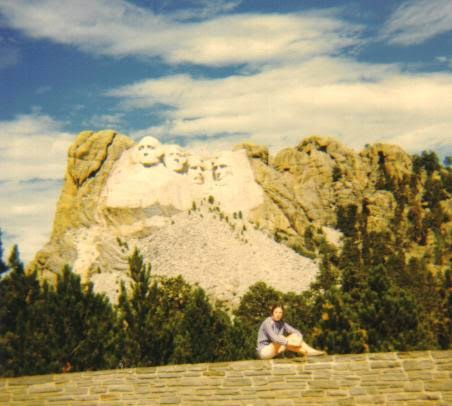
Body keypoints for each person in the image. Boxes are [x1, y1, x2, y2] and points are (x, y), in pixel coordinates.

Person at [257, 304, 326, 359]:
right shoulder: (267, 322)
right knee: (281, 338)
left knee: (294, 336)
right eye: (276, 312)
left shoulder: (281, 323)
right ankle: (305, 351)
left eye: (280, 312)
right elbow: (275, 338)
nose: (278, 314)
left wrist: (299, 339)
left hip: (276, 349)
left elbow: (296, 332)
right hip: (264, 351)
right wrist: (291, 343)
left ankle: (309, 352)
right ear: (272, 313)